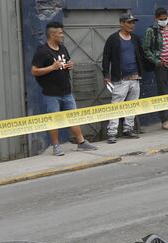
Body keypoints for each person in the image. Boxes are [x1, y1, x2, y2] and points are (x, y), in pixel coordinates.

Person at [31, 21, 97, 156]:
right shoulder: (42, 51)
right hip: (51, 94)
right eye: (60, 33)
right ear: (52, 35)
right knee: (54, 120)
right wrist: (51, 67)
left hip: (66, 91)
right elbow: (34, 71)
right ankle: (56, 146)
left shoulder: (62, 48)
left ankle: (81, 142)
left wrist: (70, 65)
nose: (62, 35)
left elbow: (66, 61)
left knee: (73, 117)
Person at [102, 13, 146, 144]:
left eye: (133, 23)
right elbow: (106, 57)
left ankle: (128, 129)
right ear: (121, 23)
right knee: (116, 105)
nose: (132, 25)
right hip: (120, 79)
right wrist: (106, 75)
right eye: (129, 22)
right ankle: (112, 132)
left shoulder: (136, 38)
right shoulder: (113, 39)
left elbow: (141, 55)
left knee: (132, 104)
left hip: (135, 77)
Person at [142, 7, 168, 130]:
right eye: (161, 19)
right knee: (163, 92)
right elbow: (146, 49)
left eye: (165, 18)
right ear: (156, 18)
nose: (163, 21)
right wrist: (156, 61)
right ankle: (165, 120)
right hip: (161, 66)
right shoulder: (151, 31)